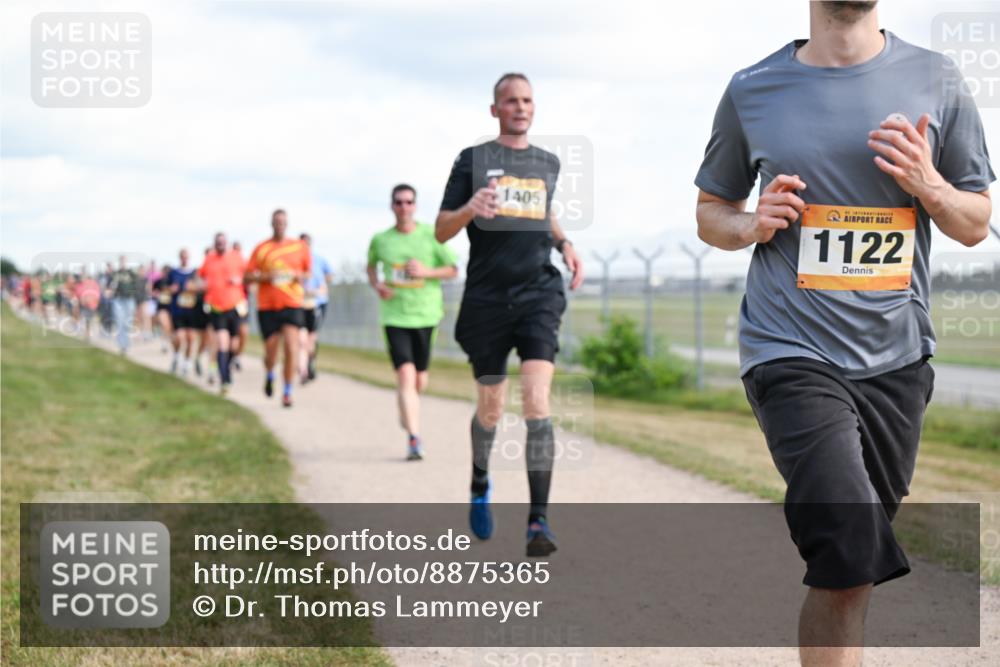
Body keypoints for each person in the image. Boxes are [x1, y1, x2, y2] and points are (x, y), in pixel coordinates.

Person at [693, 3, 994, 665]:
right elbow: (711, 212)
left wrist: (931, 186)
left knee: (850, 569)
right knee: (846, 538)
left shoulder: (937, 79)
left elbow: (975, 221)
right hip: (789, 348)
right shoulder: (753, 88)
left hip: (896, 360)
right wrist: (753, 223)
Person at [436, 73, 584, 556]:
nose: (520, 107)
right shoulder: (472, 160)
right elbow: (440, 230)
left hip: (538, 292)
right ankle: (480, 480)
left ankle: (538, 523)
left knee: (537, 401)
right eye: (510, 101)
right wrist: (469, 209)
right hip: (486, 300)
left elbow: (545, 211)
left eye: (527, 100)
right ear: (494, 109)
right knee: (492, 408)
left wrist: (564, 243)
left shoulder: (547, 163)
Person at [368, 183, 459, 460]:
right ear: (391, 205)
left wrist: (426, 271)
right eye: (398, 202)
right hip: (395, 317)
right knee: (405, 375)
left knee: (420, 381)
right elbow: (371, 267)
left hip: (426, 315)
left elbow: (453, 269)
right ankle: (414, 439)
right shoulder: (381, 240)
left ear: (415, 206)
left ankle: (406, 409)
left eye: (408, 202)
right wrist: (378, 286)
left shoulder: (431, 235)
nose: (403, 207)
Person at [245, 209, 311, 408]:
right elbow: (247, 276)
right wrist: (267, 276)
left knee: (292, 347)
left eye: (283, 222)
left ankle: (287, 391)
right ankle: (270, 372)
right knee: (271, 351)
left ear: (287, 224)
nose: (280, 225)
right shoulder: (261, 248)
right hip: (267, 306)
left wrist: (298, 275)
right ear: (271, 224)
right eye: (276, 222)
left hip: (291, 304)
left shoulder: (299, 247)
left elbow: (307, 273)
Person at [199, 233, 245, 395]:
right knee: (222, 343)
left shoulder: (237, 257)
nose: (220, 245)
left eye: (223, 242)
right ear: (214, 244)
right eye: (218, 242)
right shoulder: (209, 259)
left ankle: (227, 367)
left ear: (227, 244)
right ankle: (224, 380)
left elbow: (248, 275)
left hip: (234, 305)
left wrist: (239, 280)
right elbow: (200, 277)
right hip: (216, 307)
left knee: (234, 344)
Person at [299, 232, 334, 383]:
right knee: (301, 339)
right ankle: (303, 371)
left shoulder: (319, 260)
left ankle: (310, 363)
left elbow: (330, 276)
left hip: (317, 303)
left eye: (306, 243)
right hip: (299, 303)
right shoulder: (295, 261)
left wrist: (320, 287)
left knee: (311, 339)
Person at [166, 249, 198, 375]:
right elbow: (166, 288)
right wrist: (171, 289)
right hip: (177, 310)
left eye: (186, 257)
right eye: (182, 257)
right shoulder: (173, 273)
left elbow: (199, 287)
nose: (184, 259)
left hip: (191, 311)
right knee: (179, 337)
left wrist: (193, 288)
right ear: (180, 258)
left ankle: (187, 362)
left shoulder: (194, 273)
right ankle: (177, 354)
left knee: (190, 338)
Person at [108, 256, 142, 354]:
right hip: (118, 300)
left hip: (129, 300)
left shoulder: (131, 273)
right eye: (121, 261)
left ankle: (126, 344)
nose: (122, 262)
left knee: (128, 323)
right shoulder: (115, 273)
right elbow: (109, 285)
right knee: (119, 321)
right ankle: (121, 345)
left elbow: (137, 285)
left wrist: (131, 293)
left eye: (124, 261)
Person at [229, 240, 250, 371]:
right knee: (233, 335)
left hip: (242, 304)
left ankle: (237, 356)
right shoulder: (227, 266)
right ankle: (230, 357)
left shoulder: (246, 266)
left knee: (243, 332)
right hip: (229, 304)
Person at [152, 264, 174, 352]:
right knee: (164, 325)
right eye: (165, 272)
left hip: (171, 307)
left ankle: (167, 340)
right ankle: (164, 343)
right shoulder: (158, 281)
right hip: (161, 307)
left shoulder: (173, 281)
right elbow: (152, 291)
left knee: (169, 327)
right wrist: (156, 295)